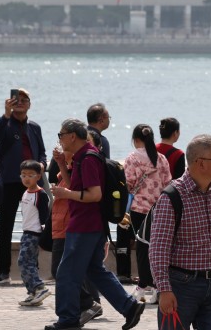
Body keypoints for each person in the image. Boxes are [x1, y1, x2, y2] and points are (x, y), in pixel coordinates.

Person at [47, 118, 143, 330]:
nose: (60, 139)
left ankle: (68, 320)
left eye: (61, 135)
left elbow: (94, 194)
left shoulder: (88, 158)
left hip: (85, 225)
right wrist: (62, 164)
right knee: (94, 270)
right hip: (91, 224)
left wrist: (65, 194)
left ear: (73, 136)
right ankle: (129, 307)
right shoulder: (83, 157)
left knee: (66, 273)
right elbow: (75, 186)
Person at [148, 134, 211, 330]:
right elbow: (158, 249)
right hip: (181, 287)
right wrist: (164, 289)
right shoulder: (172, 197)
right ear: (201, 163)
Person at [0, 87, 46, 285]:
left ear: (30, 104)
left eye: (24, 100)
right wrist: (6, 114)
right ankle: (3, 272)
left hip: (33, 183)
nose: (20, 103)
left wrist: (42, 164)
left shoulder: (34, 127)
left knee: (35, 226)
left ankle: (33, 270)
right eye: (16, 100)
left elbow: (42, 152)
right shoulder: (4, 123)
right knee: (5, 226)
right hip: (9, 181)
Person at [49, 139, 103, 326]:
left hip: (70, 225)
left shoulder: (83, 164)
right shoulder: (71, 166)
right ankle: (81, 308)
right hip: (63, 224)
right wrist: (60, 163)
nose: (62, 147)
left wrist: (64, 190)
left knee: (63, 270)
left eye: (64, 143)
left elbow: (76, 191)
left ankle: (85, 305)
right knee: (74, 270)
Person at [122, 124, 172, 304]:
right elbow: (168, 183)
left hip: (139, 209)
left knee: (143, 248)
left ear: (136, 139)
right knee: (158, 248)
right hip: (159, 208)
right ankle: (156, 286)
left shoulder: (132, 158)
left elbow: (128, 183)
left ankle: (145, 285)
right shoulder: (162, 158)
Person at [18, 159, 52, 307]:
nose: (26, 178)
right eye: (23, 175)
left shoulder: (40, 194)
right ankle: (32, 292)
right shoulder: (26, 192)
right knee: (26, 262)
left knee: (25, 261)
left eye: (30, 175)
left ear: (38, 176)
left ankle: (39, 288)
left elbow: (44, 216)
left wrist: (43, 234)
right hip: (26, 232)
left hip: (34, 234)